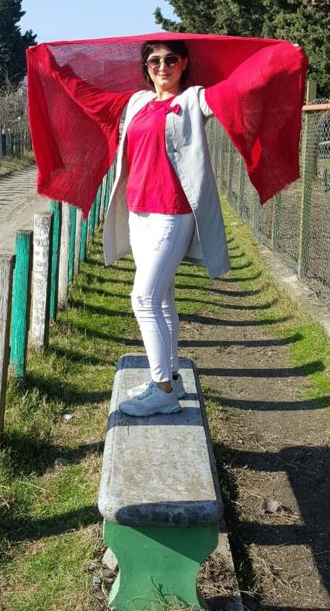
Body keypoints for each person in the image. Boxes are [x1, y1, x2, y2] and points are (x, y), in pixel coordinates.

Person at [102, 39, 229, 417]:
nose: (162, 66)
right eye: (154, 60)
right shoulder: (138, 102)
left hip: (172, 214)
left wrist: (279, 56)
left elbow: (235, 91)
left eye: (170, 59)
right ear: (146, 66)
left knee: (143, 299)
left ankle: (162, 391)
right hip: (139, 214)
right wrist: (51, 67)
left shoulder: (194, 100)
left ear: (184, 62)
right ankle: (170, 377)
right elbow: (92, 99)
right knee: (162, 298)